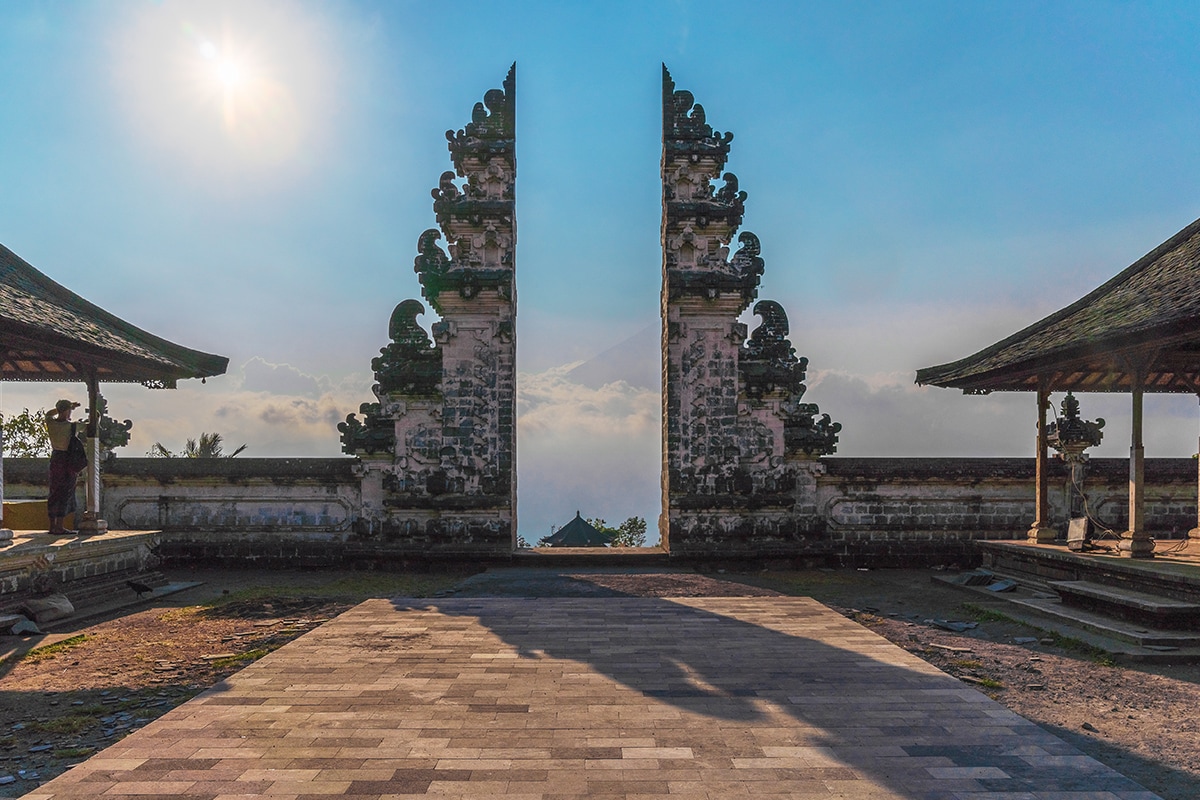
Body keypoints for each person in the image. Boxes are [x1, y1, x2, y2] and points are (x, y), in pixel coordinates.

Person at [45, 399, 82, 535]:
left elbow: (48, 413)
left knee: (54, 492)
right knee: (65, 493)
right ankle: (59, 526)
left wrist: (66, 406)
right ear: (67, 411)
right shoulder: (73, 427)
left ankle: (52, 526)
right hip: (67, 461)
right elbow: (92, 425)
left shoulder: (51, 423)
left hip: (55, 459)